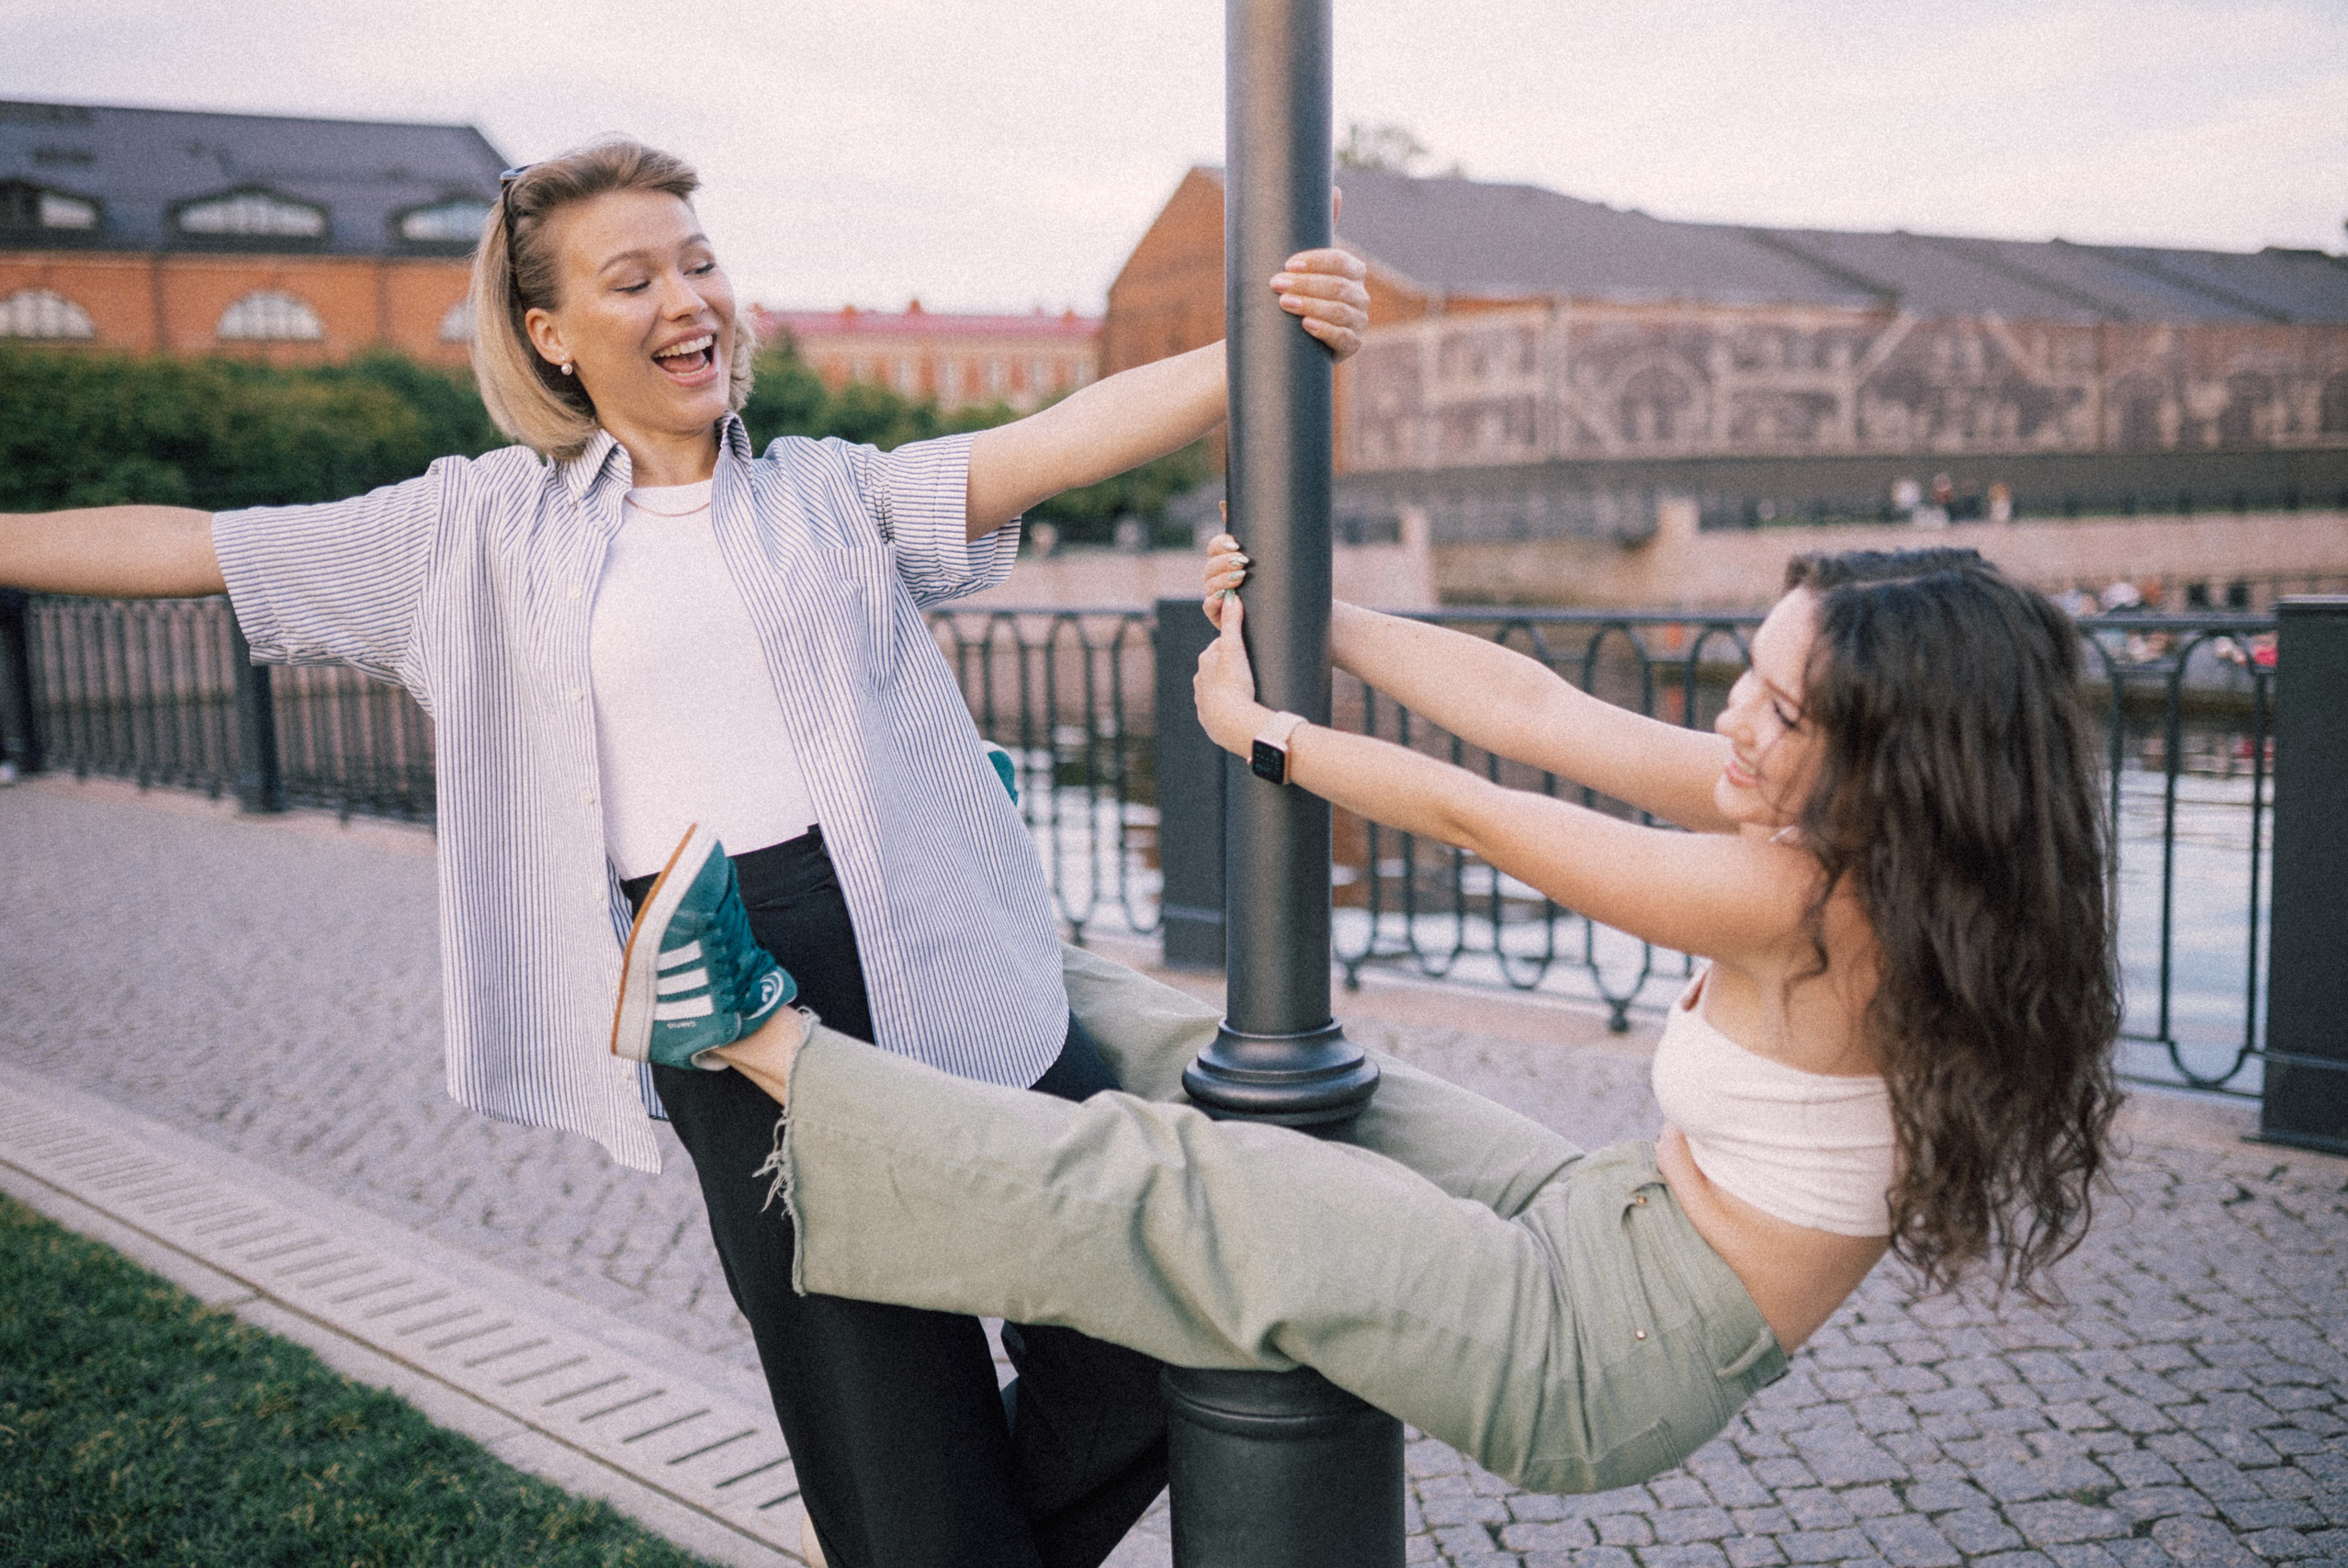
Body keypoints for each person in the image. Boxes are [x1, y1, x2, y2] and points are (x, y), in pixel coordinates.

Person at [0, 138, 1370, 1568]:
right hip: (731, 995)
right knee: (895, 1432)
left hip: (941, 959)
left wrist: (1256, 348)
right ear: (550, 334)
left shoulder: (830, 495)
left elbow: (1055, 437)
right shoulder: (475, 531)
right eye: (634, 277)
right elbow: (206, 545)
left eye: (700, 263)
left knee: (1165, 1316)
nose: (686, 301)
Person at [688, 542, 2123, 1495]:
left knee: (1206, 1182)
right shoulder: (1841, 817)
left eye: (1784, 707)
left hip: (1609, 1351)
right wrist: (1311, 619)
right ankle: (975, 916)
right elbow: (1538, 710)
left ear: (1898, 751)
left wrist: (1272, 736)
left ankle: (765, 1043)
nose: (1738, 718)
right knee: (1235, 1067)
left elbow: (1480, 812)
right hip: (1610, 1218)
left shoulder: (1816, 900)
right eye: (1747, 671)